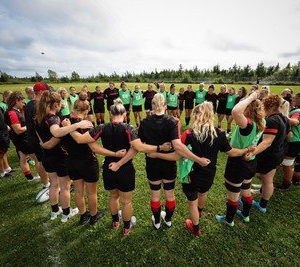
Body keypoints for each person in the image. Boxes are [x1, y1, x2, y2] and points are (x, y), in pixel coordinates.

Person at [68, 98, 172, 235]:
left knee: (113, 196)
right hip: (125, 169)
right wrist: (159, 147)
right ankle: (127, 227)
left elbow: (80, 139)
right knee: (126, 202)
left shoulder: (102, 127)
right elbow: (139, 147)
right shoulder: (128, 128)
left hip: (109, 168)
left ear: (110, 114)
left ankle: (115, 221)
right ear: (124, 114)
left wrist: (70, 127)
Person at [148, 101, 249, 236]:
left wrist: (157, 154)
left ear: (197, 116)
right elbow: (232, 152)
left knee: (192, 203)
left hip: (192, 175)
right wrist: (248, 149)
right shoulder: (219, 133)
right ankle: (199, 213)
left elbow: (176, 156)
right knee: (203, 193)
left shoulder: (189, 134)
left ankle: (195, 227)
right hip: (209, 174)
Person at [130, 94, 211, 232]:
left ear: (153, 105)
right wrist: (198, 159)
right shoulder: (173, 121)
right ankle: (167, 219)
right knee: (170, 195)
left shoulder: (144, 122)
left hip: (152, 163)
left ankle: (156, 221)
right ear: (166, 106)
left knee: (155, 195)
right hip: (169, 163)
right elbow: (178, 146)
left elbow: (139, 146)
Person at [61, 93, 126, 225]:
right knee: (91, 192)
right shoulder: (86, 124)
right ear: (86, 110)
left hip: (71, 161)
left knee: (78, 191)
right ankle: (94, 216)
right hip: (87, 161)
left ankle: (83, 215)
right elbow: (95, 148)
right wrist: (114, 154)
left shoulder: (65, 122)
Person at [35, 90, 93, 222]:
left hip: (46, 156)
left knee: (54, 185)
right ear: (56, 104)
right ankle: (66, 213)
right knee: (65, 187)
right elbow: (56, 132)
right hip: (59, 156)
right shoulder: (53, 118)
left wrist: (44, 145)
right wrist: (76, 125)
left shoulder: (38, 118)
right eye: (61, 102)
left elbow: (40, 139)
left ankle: (55, 211)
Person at [215, 92, 264, 226]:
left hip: (238, 163)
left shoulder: (247, 125)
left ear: (248, 108)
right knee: (246, 189)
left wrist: (251, 97)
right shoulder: (261, 121)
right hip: (251, 161)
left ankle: (228, 220)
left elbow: (236, 111)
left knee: (233, 194)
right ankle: (246, 215)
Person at [244, 94, 290, 213]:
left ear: (267, 106)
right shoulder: (284, 118)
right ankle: (262, 203)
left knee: (259, 178)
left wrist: (252, 153)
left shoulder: (272, 121)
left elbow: (267, 142)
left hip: (268, 155)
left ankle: (253, 202)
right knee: (268, 180)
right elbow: (289, 135)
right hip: (278, 153)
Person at [4, 91, 40, 182]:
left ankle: (29, 178)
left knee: (23, 158)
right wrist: (29, 125)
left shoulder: (14, 111)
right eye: (22, 102)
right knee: (37, 158)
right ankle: (44, 177)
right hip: (23, 140)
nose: (23, 104)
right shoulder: (12, 113)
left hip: (18, 140)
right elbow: (18, 130)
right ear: (16, 101)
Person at [277, 91, 300, 190]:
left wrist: (281, 116)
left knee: (287, 165)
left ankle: (286, 185)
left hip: (294, 143)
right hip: (290, 142)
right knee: (285, 164)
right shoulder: (293, 111)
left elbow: (295, 122)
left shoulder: (296, 112)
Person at [23, 82, 51, 188]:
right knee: (41, 161)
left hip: (31, 136)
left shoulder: (29, 104)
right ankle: (46, 183)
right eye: (47, 92)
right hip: (37, 138)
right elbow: (37, 126)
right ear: (41, 92)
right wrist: (42, 140)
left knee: (39, 160)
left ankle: (46, 181)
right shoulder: (36, 106)